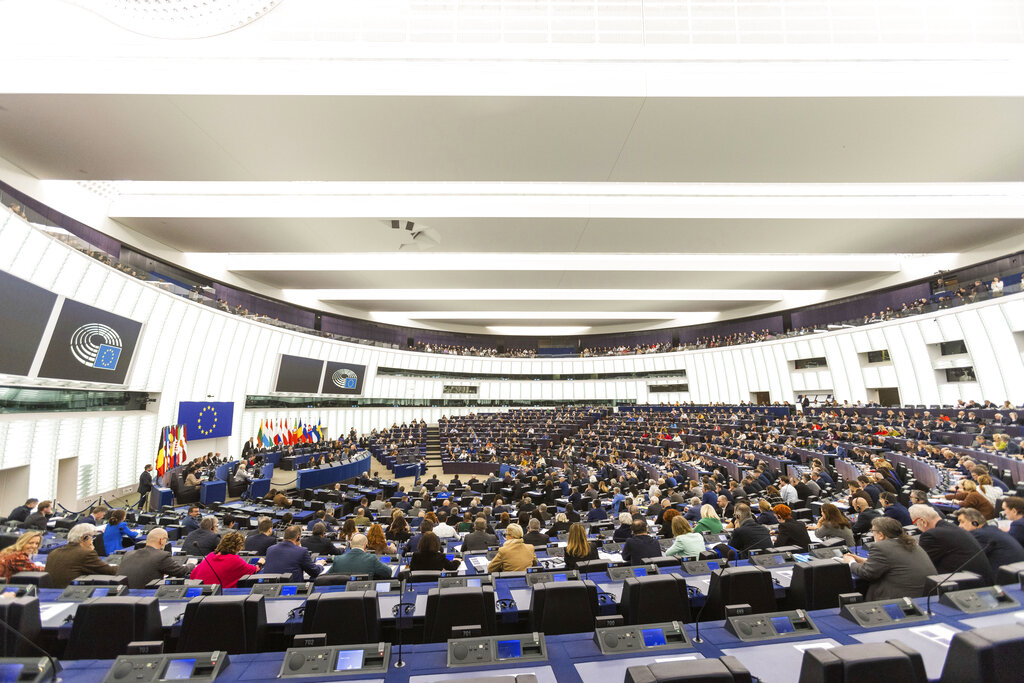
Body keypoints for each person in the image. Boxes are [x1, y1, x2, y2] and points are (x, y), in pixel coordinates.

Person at [842, 517, 937, 600]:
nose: (872, 534)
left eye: (873, 531)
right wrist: (862, 560)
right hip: (924, 595)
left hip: (898, 598)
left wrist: (851, 562)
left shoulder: (881, 547)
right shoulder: (912, 543)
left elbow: (867, 573)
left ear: (881, 535)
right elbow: (894, 563)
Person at [909, 504, 995, 585]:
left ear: (923, 521)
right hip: (981, 580)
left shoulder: (932, 535)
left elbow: (920, 564)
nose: (917, 527)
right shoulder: (951, 528)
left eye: (915, 523)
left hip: (966, 585)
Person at [44, 523, 118, 588]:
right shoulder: (86, 553)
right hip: (72, 593)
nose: (93, 540)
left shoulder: (54, 552)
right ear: (85, 537)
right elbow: (109, 571)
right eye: (93, 537)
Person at [955, 508, 1024, 573]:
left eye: (962, 522)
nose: (960, 526)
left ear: (975, 523)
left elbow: (966, 559)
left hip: (1006, 577)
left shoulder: (979, 535)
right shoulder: (991, 530)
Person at [117, 528, 191, 589]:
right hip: (144, 597)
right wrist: (191, 565)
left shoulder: (128, 554)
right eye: (166, 539)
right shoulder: (162, 556)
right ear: (161, 540)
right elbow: (180, 571)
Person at [190, 532, 262, 588]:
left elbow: (193, 575)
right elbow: (254, 570)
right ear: (238, 547)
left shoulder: (210, 555)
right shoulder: (234, 560)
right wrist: (260, 562)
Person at [327, 533, 393, 578]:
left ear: (350, 545)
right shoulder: (372, 559)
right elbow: (388, 572)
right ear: (366, 545)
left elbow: (326, 577)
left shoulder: (338, 560)